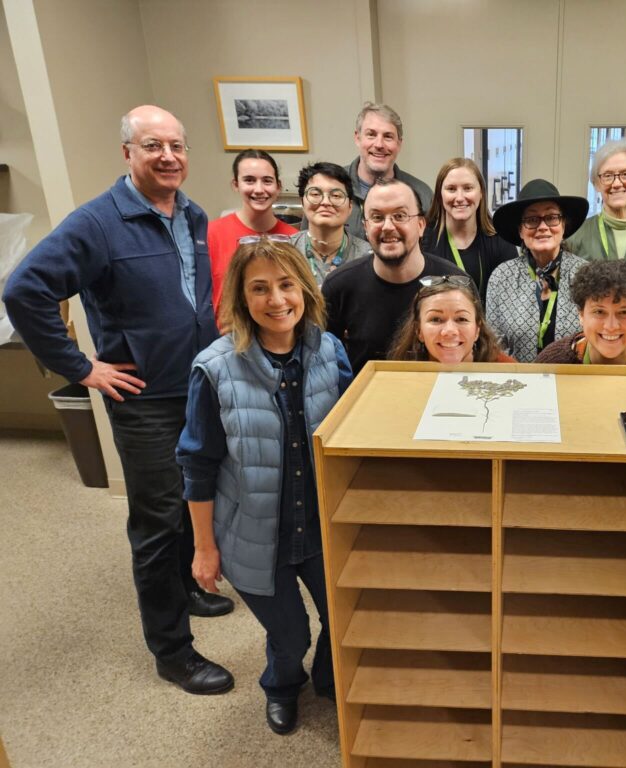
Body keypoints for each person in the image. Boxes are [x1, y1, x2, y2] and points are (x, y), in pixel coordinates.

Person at [2, 105, 233, 694]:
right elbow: (24, 290)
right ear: (127, 153)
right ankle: (172, 651)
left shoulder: (193, 214)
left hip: (198, 385)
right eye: (152, 145)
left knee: (191, 497)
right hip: (145, 399)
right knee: (157, 518)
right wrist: (82, 368)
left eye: (177, 145)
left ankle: (187, 589)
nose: (168, 156)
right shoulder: (97, 223)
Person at [177, 238, 352, 735]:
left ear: (304, 288)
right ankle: (280, 684)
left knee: (341, 620)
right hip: (254, 533)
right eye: (260, 289)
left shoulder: (329, 350)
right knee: (290, 636)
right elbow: (198, 464)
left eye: (286, 285)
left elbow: (348, 432)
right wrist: (204, 548)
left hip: (320, 526)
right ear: (241, 296)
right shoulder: (214, 370)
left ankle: (327, 679)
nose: (276, 300)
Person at [323, 178, 465, 375]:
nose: (388, 226)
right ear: (365, 227)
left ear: (421, 225)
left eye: (400, 216)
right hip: (367, 401)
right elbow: (324, 364)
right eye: (377, 217)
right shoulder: (339, 286)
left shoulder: (455, 284)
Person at [536, 259, 626, 423]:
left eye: (624, 312)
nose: (611, 326)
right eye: (599, 312)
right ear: (581, 315)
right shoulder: (550, 365)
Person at [487, 179, 589, 362]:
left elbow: (594, 338)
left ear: (563, 225)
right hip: (517, 380)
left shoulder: (586, 275)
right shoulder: (501, 277)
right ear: (520, 230)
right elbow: (494, 345)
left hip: (572, 380)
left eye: (551, 217)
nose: (542, 227)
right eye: (532, 220)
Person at [207, 149, 297, 314]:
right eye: (249, 180)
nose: (259, 189)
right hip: (224, 334)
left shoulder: (293, 238)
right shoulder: (211, 234)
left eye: (267, 181)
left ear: (278, 186)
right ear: (236, 185)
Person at [421, 158, 517, 301]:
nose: (460, 198)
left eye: (468, 188)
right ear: (440, 196)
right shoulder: (423, 240)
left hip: (486, 323)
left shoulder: (501, 241)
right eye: (451, 189)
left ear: (481, 193)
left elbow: (510, 301)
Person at [344, 102, 432, 241]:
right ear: (357, 138)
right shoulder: (332, 189)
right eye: (371, 134)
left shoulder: (422, 194)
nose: (379, 144)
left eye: (388, 136)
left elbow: (429, 253)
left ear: (399, 143)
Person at [388, 274, 515, 363]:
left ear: (477, 329)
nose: (449, 331)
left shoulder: (506, 370)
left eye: (461, 319)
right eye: (436, 319)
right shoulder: (401, 375)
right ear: (419, 330)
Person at [565, 138, 626, 262]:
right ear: (596, 184)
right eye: (607, 175)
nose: (616, 183)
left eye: (625, 174)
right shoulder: (576, 236)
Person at [289, 161, 371, 287]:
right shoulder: (285, 252)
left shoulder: (368, 257)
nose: (326, 202)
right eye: (315, 194)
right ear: (302, 203)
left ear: (350, 206)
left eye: (336, 195)